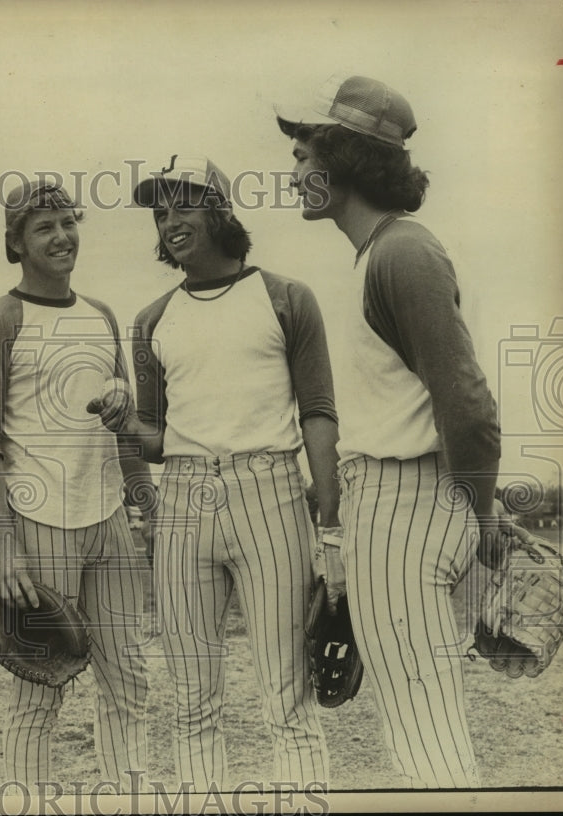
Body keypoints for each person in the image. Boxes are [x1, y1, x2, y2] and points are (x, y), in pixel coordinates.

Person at [275, 74, 502, 787]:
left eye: (305, 159)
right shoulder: (375, 254)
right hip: (387, 506)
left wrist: (481, 507)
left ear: (346, 163)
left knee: (427, 731)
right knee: (416, 724)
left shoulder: (404, 252)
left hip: (410, 504)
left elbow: (466, 402)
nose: (294, 176)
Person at [91, 156, 338, 791]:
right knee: (193, 699)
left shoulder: (286, 297)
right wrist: (122, 420)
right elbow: (153, 436)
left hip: (271, 491)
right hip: (183, 499)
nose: (169, 221)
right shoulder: (150, 319)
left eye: (183, 205)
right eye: (160, 212)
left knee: (288, 695)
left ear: (222, 212)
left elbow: (316, 412)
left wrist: (330, 524)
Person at [0, 180, 150, 790]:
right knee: (39, 692)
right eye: (44, 227)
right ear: (15, 243)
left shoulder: (101, 314)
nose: (62, 236)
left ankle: (132, 798)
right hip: (39, 522)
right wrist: (1, 542)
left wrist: (141, 494)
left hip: (109, 519)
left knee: (130, 679)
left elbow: (126, 428)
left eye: (69, 222)